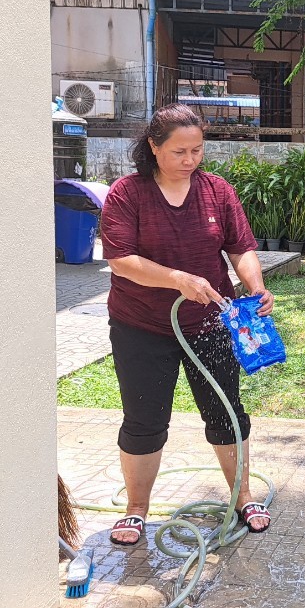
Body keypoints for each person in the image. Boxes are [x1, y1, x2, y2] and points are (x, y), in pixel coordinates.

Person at [98, 103, 274, 547]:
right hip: (141, 326)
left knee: (226, 410)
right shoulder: (128, 194)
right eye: (180, 151)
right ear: (154, 148)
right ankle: (136, 509)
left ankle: (243, 496)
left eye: (197, 150)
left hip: (210, 323)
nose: (191, 160)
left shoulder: (217, 191)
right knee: (144, 420)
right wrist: (177, 279)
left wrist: (253, 285)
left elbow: (241, 248)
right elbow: (122, 262)